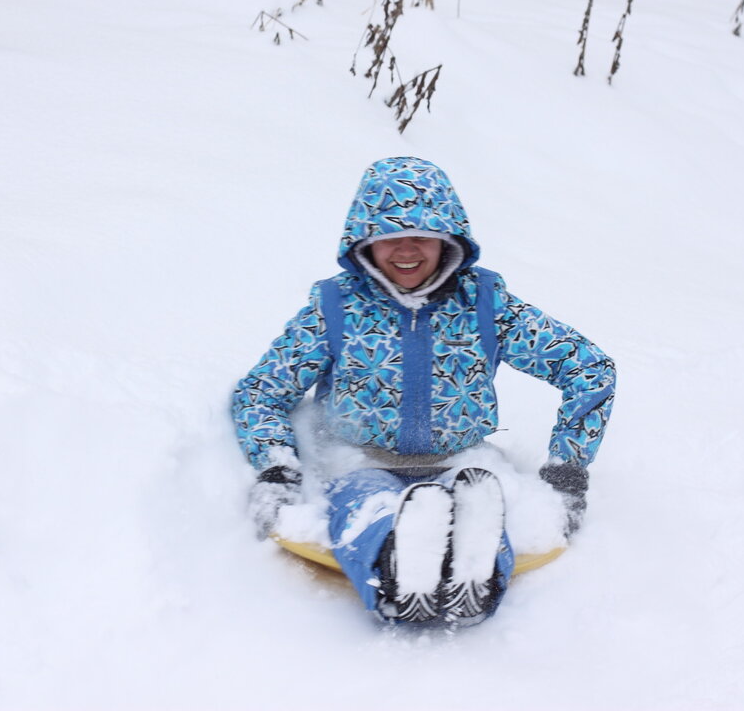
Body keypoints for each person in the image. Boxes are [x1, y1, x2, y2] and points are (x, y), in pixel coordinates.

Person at [232, 156, 616, 625]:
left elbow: (589, 368)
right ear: (363, 241)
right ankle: (395, 566)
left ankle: (475, 576)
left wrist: (568, 471)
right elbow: (262, 391)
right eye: (389, 235)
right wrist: (276, 468)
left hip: (461, 459)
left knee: (478, 502)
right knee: (367, 505)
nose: (406, 249)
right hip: (360, 461)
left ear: (448, 239)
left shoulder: (485, 305)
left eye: (423, 235)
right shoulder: (336, 307)